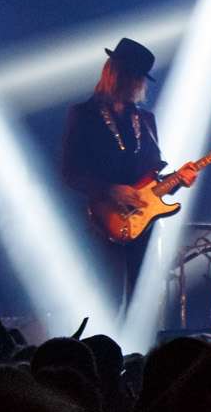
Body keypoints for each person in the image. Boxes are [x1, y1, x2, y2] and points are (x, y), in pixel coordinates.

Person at [58, 38, 194, 315]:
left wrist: (179, 180)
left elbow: (153, 180)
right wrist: (110, 189)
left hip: (142, 224)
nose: (139, 85)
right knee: (103, 300)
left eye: (141, 79)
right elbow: (69, 172)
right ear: (117, 74)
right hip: (100, 221)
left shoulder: (146, 120)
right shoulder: (84, 114)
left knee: (139, 303)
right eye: (135, 77)